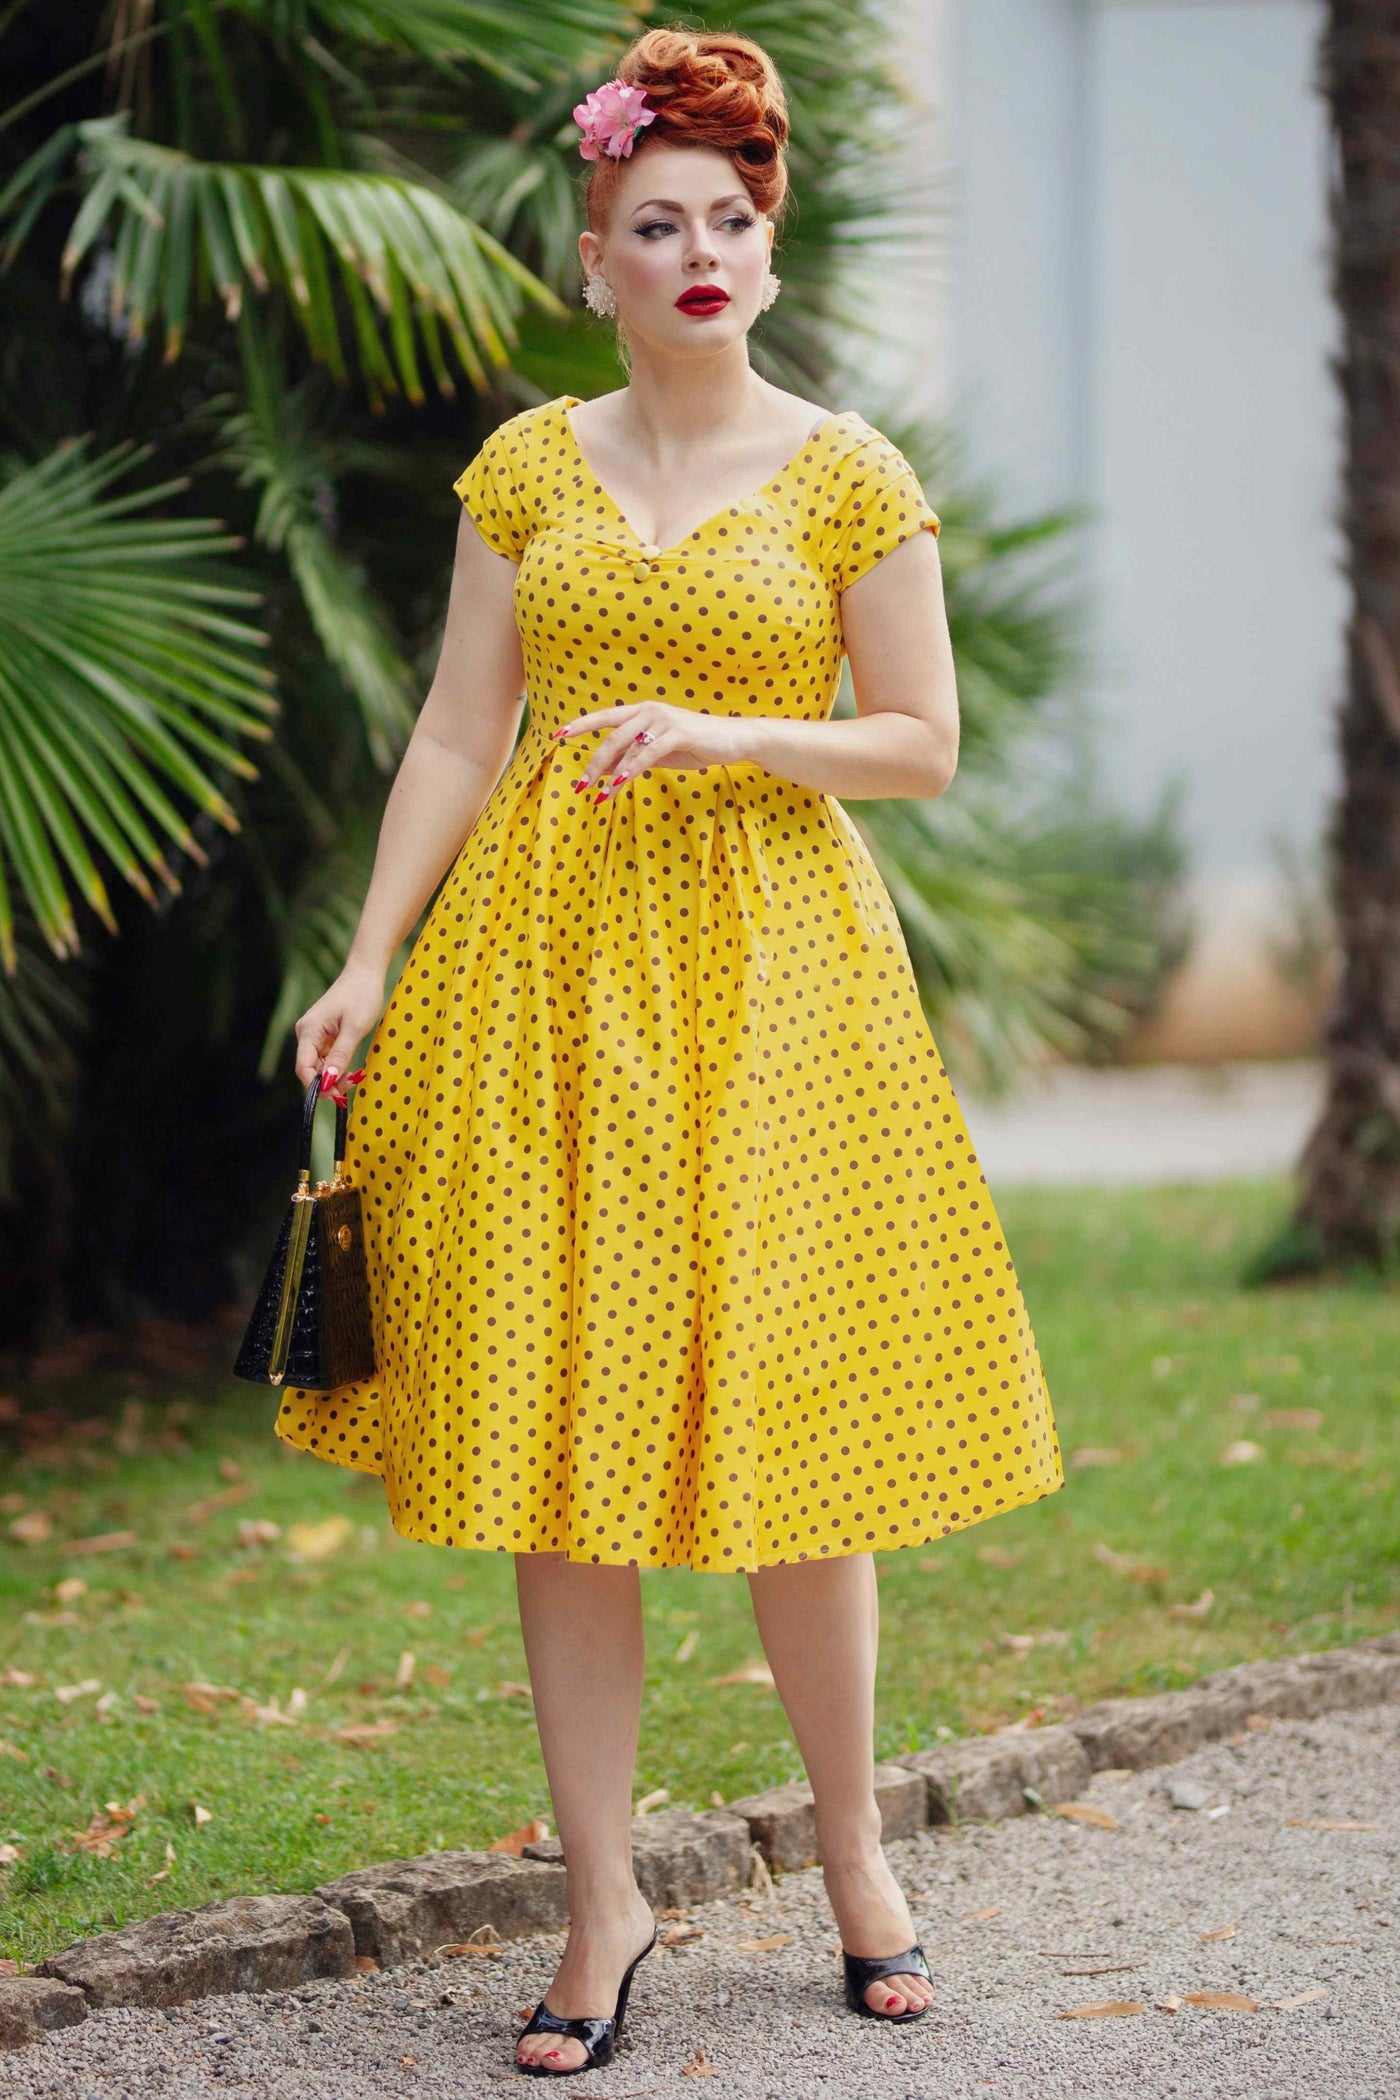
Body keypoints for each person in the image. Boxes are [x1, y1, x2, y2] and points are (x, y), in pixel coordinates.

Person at [280, 24, 1063, 2079]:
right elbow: (458, 730)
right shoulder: (528, 466)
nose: (699, 248)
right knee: (564, 1453)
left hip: (777, 990)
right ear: (597, 255)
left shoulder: (846, 472)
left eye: (729, 218)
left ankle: (851, 1849)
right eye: (659, 221)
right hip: (541, 989)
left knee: (801, 1445)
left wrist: (730, 734)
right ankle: (602, 1897)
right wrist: (368, 959)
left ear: (770, 252)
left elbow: (922, 741)